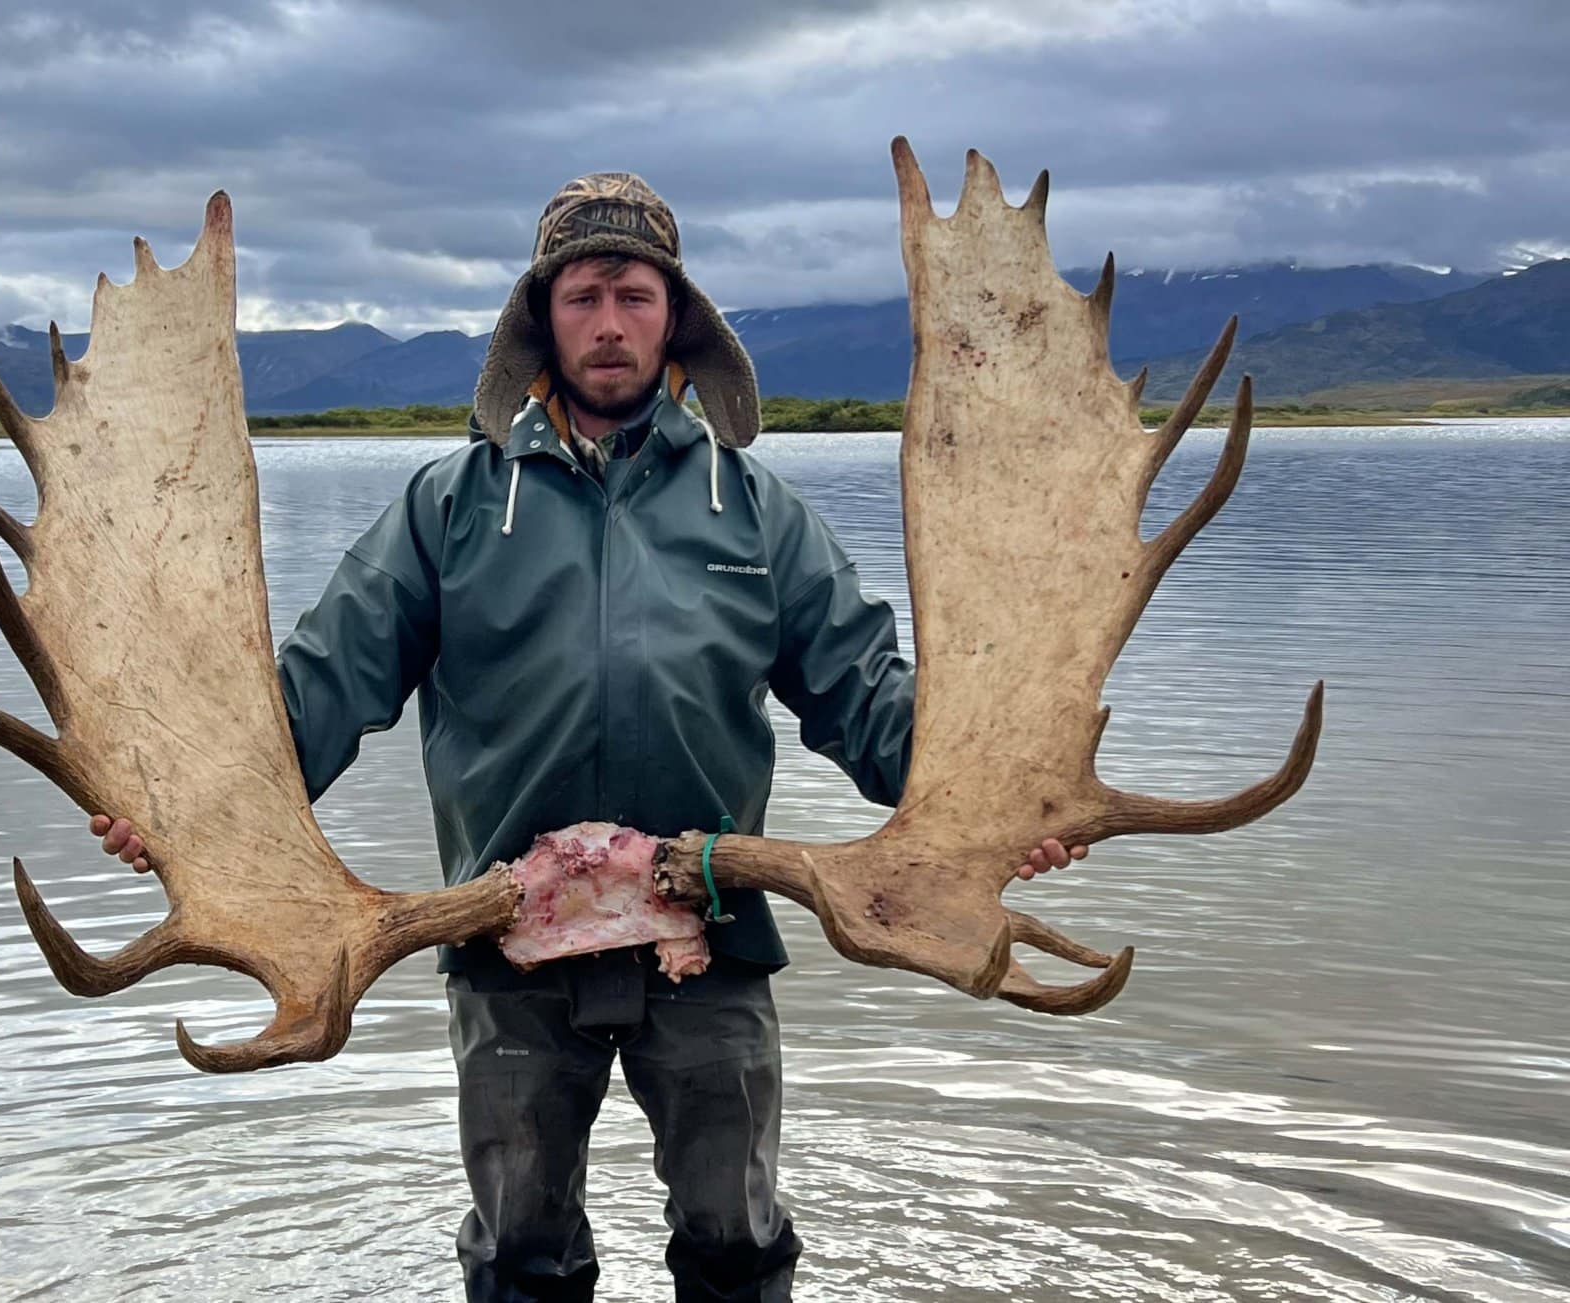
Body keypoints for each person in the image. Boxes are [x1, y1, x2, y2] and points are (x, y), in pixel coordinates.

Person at [90, 171, 1086, 1302]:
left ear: (677, 319)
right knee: (521, 1251)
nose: (608, 323)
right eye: (580, 297)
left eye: (633, 295)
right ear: (540, 319)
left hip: (709, 939)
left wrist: (997, 802)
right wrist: (182, 813)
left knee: (735, 1238)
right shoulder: (452, 505)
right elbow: (316, 692)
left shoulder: (756, 511)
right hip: (505, 942)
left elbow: (867, 699)